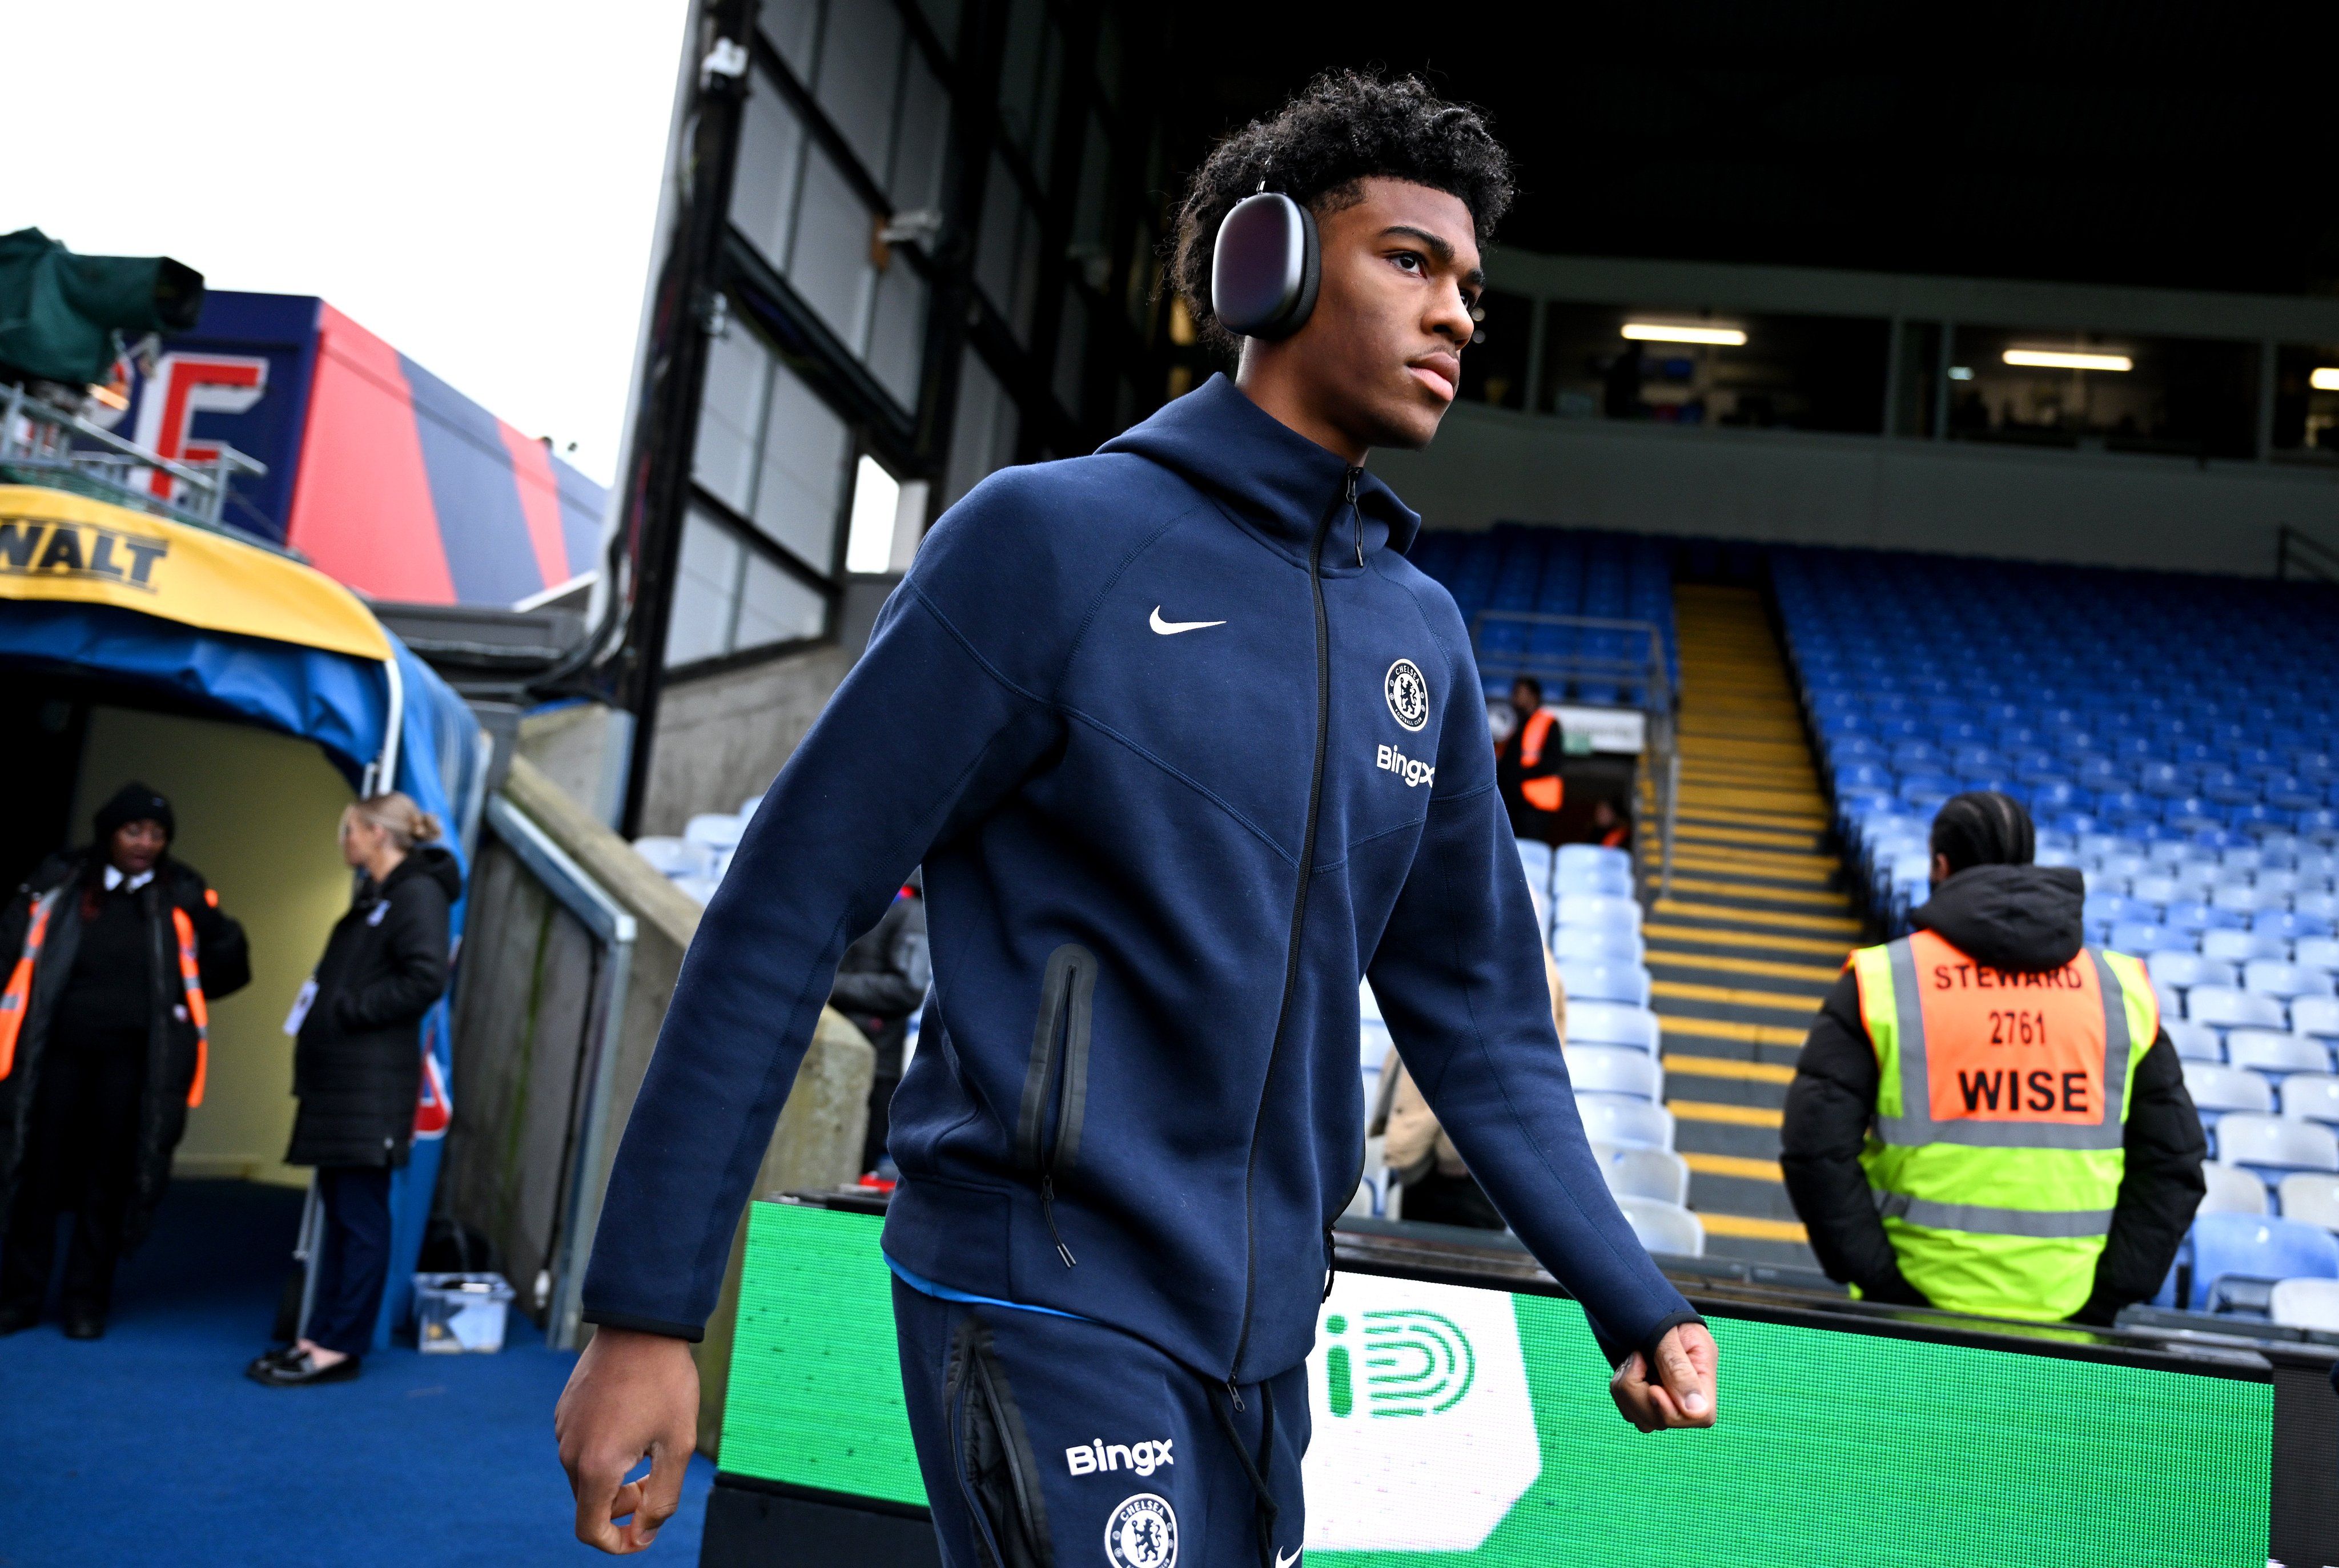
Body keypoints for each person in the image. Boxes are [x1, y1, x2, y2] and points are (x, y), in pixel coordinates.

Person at [556, 71, 1718, 1563]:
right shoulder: (1050, 543)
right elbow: (790, 898)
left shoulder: (1420, 633)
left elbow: (1485, 1022)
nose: (1456, 316)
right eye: (1411, 261)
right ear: (1269, 265)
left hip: (1266, 1337)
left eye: (1472, 288)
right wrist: (648, 1310)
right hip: (1037, 1291)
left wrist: (1633, 1294)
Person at [1780, 791, 2206, 1325]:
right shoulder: (2116, 988)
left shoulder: (1886, 980)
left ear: (1940, 866)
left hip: (1909, 1322)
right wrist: (2109, 1294)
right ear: (2027, 863)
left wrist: (1883, 1282)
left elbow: (1815, 1149)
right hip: (2070, 1325)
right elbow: (2175, 1160)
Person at [0, 782, 249, 1338]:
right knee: (38, 1176)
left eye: (157, 834)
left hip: (132, 1066)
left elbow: (229, 971)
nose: (145, 843)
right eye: (134, 830)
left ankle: (86, 1301)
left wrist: (212, 923)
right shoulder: (62, 880)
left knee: (107, 1182)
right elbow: (11, 950)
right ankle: (19, 1297)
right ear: (109, 832)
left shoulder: (178, 893)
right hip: (56, 1057)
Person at [247, 793, 457, 1386]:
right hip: (345, 1085)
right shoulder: (380, 896)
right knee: (343, 1214)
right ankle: (320, 1336)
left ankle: (338, 1346)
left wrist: (345, 1010)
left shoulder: (416, 894)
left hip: (369, 1087)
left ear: (373, 832)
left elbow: (423, 979)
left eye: (348, 830)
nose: (343, 842)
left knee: (361, 1217)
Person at [1384, 946, 1568, 1230]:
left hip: (1465, 1165)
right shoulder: (1474, 947)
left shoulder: (1521, 958)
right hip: (1434, 1152)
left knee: (1457, 1267)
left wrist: (1457, 1149)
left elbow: (1511, 1069)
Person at [828, 873, 930, 1176]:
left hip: (875, 1063)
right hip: (844, 1051)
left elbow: (907, 990)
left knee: (851, 1170)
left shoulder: (911, 911)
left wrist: (829, 987)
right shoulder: (861, 902)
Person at [1494, 674, 1567, 842]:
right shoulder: (1514, 725)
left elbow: (1553, 762)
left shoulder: (1548, 723)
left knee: (1530, 853)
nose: (1515, 697)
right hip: (1511, 802)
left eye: (1520, 692)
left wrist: (1518, 775)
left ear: (1534, 696)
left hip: (1535, 805)